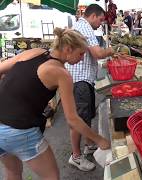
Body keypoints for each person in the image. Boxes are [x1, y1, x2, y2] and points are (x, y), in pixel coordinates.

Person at [0, 28, 110, 180]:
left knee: (12, 174)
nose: (82, 57)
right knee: (52, 177)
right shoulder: (61, 74)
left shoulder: (36, 52)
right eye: (81, 53)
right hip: (20, 130)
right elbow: (72, 119)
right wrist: (99, 140)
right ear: (67, 49)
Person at [65, 4, 114, 171]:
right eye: (100, 20)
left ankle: (89, 145)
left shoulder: (81, 26)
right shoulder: (85, 27)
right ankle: (76, 156)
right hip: (80, 80)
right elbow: (98, 53)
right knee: (78, 120)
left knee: (86, 116)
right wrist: (112, 50)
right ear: (92, 16)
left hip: (83, 79)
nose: (100, 24)